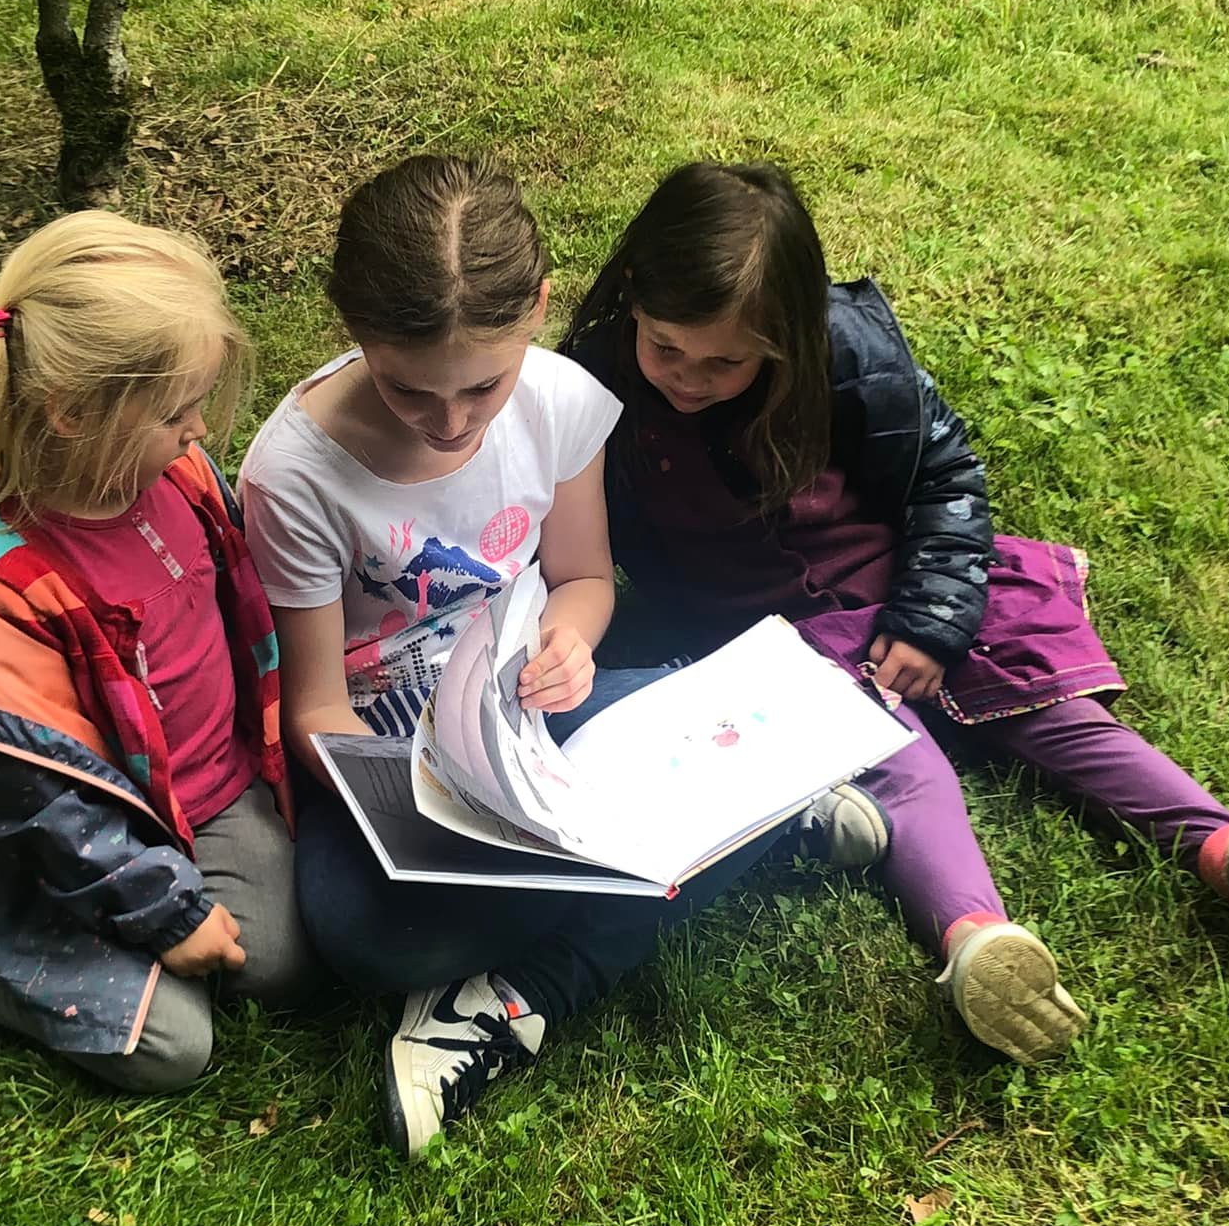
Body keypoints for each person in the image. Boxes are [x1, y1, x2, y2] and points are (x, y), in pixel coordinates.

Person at [562, 160, 1229, 1064]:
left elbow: (945, 479)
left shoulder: (847, 357)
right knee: (903, 770)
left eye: (725, 361)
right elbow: (555, 518)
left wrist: (932, 618)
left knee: (1059, 718)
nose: (688, 377)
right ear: (632, 296)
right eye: (666, 348)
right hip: (777, 649)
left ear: (786, 330)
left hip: (907, 583)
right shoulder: (589, 388)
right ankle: (977, 941)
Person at [239, 154, 884, 1155]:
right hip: (391, 765)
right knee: (364, 937)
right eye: (409, 389)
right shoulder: (295, 473)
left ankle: (518, 994)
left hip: (525, 712)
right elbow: (315, 708)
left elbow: (582, 579)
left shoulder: (560, 401)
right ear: (354, 329)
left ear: (538, 307)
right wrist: (415, 800)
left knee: (688, 725)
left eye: (482, 386)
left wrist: (568, 644)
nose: (451, 423)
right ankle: (730, 830)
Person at [0, 210, 321, 1093]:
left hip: (215, 794)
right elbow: (46, 808)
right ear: (75, 414)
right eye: (176, 411)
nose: (200, 429)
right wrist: (163, 911)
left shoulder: (176, 477)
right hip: (82, 848)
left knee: (280, 966)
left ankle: (150, 920)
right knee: (171, 1049)